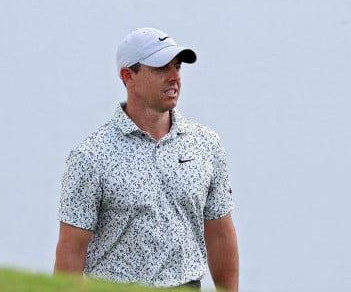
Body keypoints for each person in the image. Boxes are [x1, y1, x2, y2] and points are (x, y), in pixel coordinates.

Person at [54, 27, 239, 290]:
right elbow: (71, 252)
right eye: (161, 68)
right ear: (128, 76)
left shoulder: (206, 144)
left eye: (177, 67)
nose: (175, 77)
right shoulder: (90, 156)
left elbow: (220, 232)